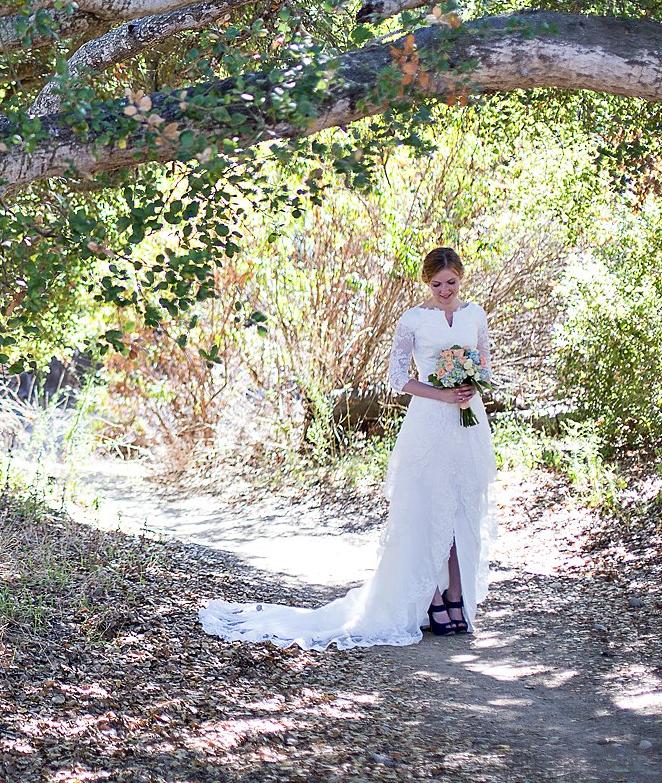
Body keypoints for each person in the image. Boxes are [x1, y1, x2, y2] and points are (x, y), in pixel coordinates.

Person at [197, 246, 499, 648]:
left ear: (461, 278)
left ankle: (457, 595)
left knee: (462, 506)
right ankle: (429, 596)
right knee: (426, 508)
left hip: (468, 421)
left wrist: (468, 386)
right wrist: (441, 394)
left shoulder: (475, 315)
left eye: (451, 282)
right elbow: (397, 378)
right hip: (428, 422)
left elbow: (486, 366)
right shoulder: (413, 320)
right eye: (436, 284)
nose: (444, 290)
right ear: (426, 283)